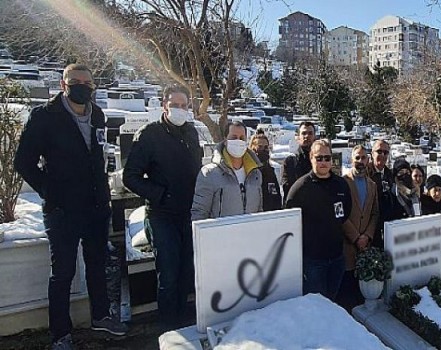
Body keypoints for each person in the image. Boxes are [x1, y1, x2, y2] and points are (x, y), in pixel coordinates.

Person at [14, 64, 127, 349]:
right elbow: (23, 162)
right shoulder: (45, 116)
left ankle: (101, 316)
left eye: (87, 82)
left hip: (96, 206)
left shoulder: (98, 116)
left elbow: (99, 157)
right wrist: (49, 192)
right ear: (64, 84)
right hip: (62, 210)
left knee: (97, 265)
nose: (82, 86)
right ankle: (61, 334)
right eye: (75, 81)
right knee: (63, 273)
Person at [122, 85, 202, 328]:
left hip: (188, 215)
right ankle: (168, 329)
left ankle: (183, 324)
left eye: (184, 105)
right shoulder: (149, 135)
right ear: (164, 105)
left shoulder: (191, 132)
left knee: (186, 272)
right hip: (162, 215)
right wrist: (160, 195)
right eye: (175, 105)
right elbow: (130, 176)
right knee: (168, 275)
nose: (180, 110)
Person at [285, 140, 352, 300]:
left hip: (336, 258)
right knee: (317, 307)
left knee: (332, 302)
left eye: (327, 158)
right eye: (319, 158)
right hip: (313, 261)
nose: (323, 162)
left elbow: (346, 213)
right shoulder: (300, 188)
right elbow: (290, 221)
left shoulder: (341, 184)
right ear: (311, 158)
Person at [337, 145, 379, 311]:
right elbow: (340, 213)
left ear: (368, 160)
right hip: (347, 247)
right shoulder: (342, 183)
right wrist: (355, 237)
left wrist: (367, 236)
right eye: (357, 158)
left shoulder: (372, 185)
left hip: (365, 248)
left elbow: (375, 213)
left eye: (363, 158)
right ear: (351, 159)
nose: (360, 162)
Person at [191, 121, 262, 220]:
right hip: (220, 233)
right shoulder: (209, 173)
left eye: (242, 138)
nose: (238, 141)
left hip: (249, 232)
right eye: (234, 137)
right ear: (225, 140)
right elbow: (199, 213)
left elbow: (259, 211)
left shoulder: (256, 174)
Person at [366, 139, 393, 248]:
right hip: (369, 227)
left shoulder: (390, 174)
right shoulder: (365, 173)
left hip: (386, 225)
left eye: (385, 152)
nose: (382, 155)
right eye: (379, 151)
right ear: (372, 154)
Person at [282, 121, 315, 201]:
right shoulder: (290, 162)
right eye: (304, 133)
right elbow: (288, 189)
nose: (307, 136)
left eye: (310, 133)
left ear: (315, 136)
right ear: (298, 137)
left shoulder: (322, 161)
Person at [249, 132, 282, 211]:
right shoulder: (248, 171)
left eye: (266, 147)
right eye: (260, 147)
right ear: (252, 148)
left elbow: (276, 197)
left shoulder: (270, 172)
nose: (263, 150)